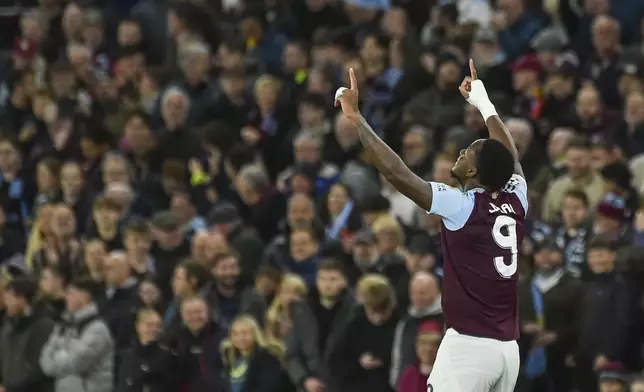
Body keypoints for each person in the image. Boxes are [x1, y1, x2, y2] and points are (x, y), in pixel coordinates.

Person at [336, 60, 527, 391]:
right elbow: (508, 156)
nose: (461, 153)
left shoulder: (461, 205)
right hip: (508, 350)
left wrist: (357, 120)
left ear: (473, 173)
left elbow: (398, 174)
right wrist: (483, 103)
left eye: (469, 151)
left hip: (469, 348)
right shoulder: (517, 199)